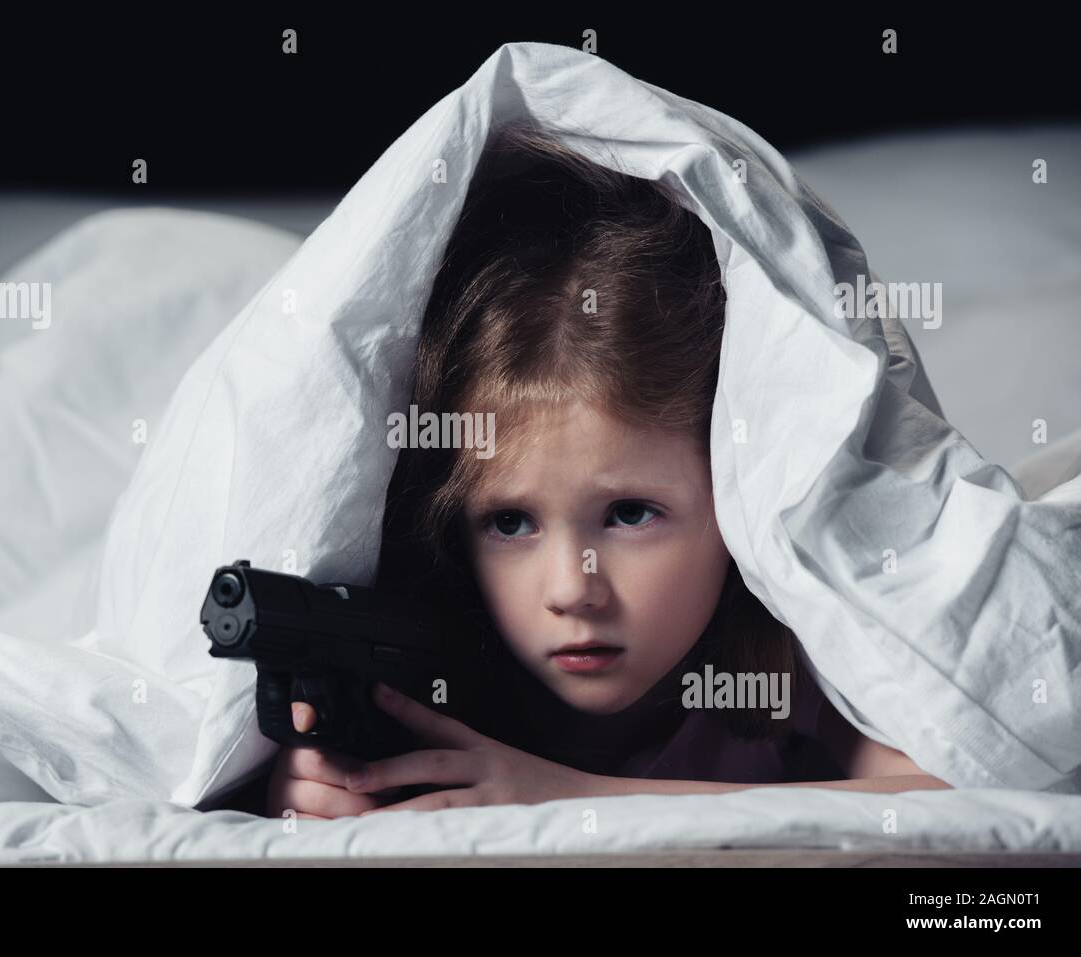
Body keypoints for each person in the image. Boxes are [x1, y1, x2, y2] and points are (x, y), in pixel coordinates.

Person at [265, 121, 951, 820]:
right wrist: (306, 791)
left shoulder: (780, 667)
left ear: (737, 496)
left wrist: (573, 797)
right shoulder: (429, 691)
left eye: (629, 513)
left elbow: (967, 792)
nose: (572, 589)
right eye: (510, 522)